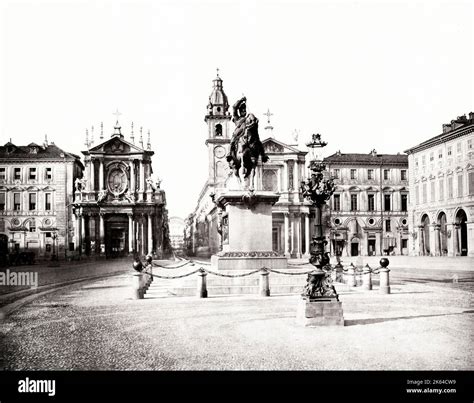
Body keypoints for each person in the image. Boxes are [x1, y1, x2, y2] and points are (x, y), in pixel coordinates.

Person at [226, 96, 268, 167]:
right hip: (239, 133)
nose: (244, 112)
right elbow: (234, 107)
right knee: (232, 140)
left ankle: (263, 155)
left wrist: (255, 122)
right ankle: (229, 154)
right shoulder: (237, 118)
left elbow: (253, 123)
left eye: (245, 110)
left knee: (258, 141)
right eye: (242, 111)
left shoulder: (248, 118)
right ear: (240, 111)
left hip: (248, 133)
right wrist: (241, 100)